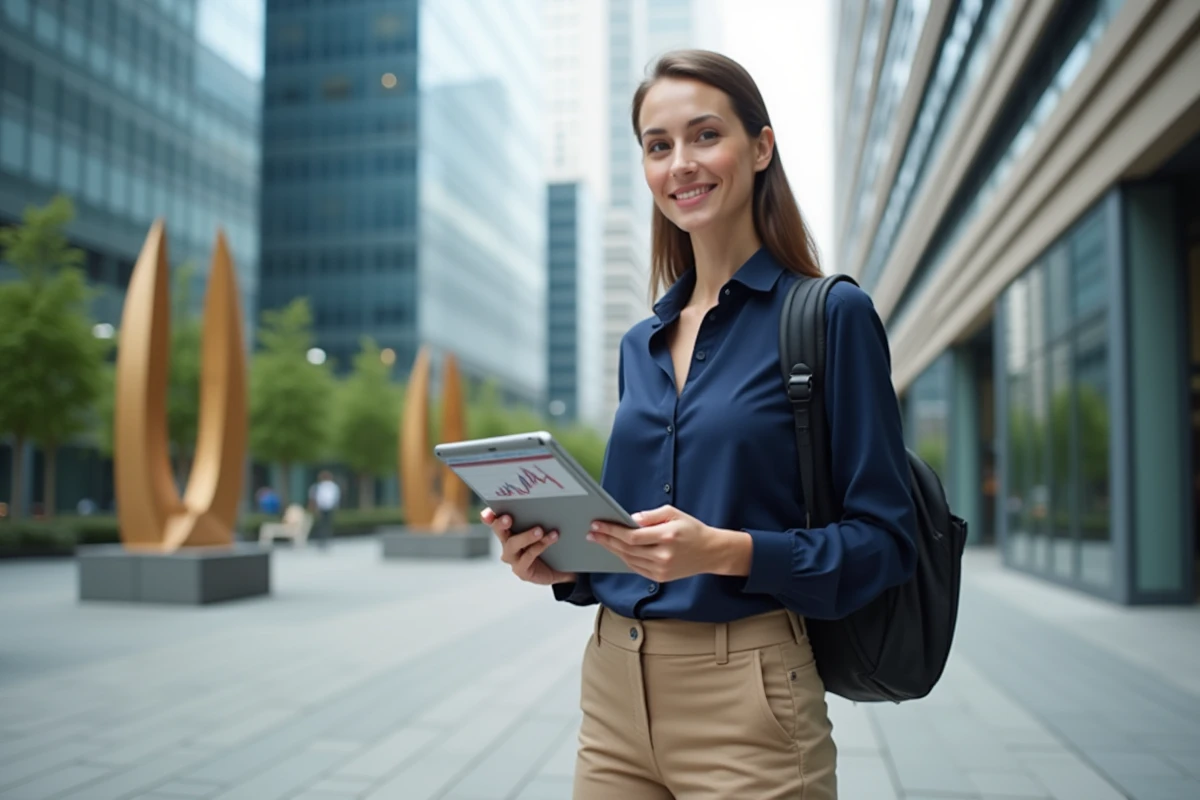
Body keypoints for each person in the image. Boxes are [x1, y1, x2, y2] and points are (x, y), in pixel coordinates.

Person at [482, 50, 917, 799]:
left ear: (760, 147)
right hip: (614, 690)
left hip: (748, 698)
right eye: (659, 145)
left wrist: (726, 551)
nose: (680, 163)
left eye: (704, 135)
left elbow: (885, 543)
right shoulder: (639, 344)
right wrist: (560, 563)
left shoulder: (829, 317)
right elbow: (637, 541)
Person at [308, 471, 340, 550]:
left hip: (326, 507)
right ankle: (323, 540)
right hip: (323, 507)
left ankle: (325, 540)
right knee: (324, 525)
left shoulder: (330, 486)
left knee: (325, 524)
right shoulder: (321, 486)